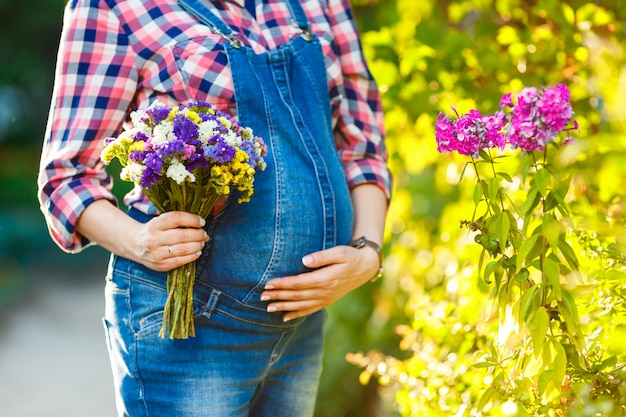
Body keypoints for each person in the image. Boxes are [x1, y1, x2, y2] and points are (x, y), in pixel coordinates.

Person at [37, 0, 391, 416]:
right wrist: (139, 240)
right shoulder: (114, 8)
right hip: (191, 329)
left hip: (301, 328)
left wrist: (368, 252)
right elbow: (66, 176)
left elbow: (362, 145)